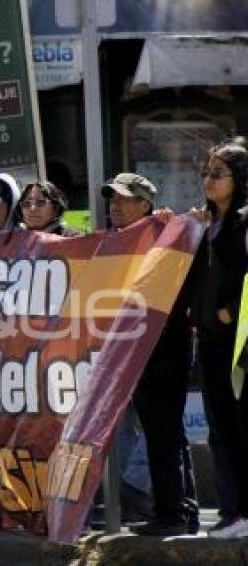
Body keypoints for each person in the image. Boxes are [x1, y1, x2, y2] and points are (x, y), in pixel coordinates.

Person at [100, 174, 199, 535]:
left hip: (164, 350)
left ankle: (170, 514)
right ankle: (179, 510)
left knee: (162, 433)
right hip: (136, 350)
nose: (115, 205)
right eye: (112, 199)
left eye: (125, 199)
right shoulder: (115, 241)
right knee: (168, 435)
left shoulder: (165, 235)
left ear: (146, 204)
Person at [187, 144, 248, 538]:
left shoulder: (244, 224)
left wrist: (228, 309)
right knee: (220, 427)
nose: (208, 180)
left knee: (241, 425)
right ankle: (233, 513)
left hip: (240, 343)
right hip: (210, 341)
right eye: (207, 172)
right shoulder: (205, 224)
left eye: (218, 173)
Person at [15, 181, 80, 236]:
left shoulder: (71, 239)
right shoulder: (16, 240)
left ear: (55, 208)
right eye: (26, 203)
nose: (32, 208)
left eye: (41, 202)